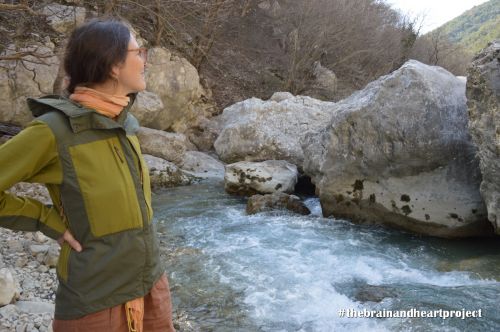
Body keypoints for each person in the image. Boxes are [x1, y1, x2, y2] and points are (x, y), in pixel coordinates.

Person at [0, 18, 175, 331]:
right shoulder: (53, 131)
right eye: (138, 52)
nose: (144, 61)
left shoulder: (123, 122)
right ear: (112, 66)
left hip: (150, 287)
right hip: (95, 301)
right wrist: (46, 219)